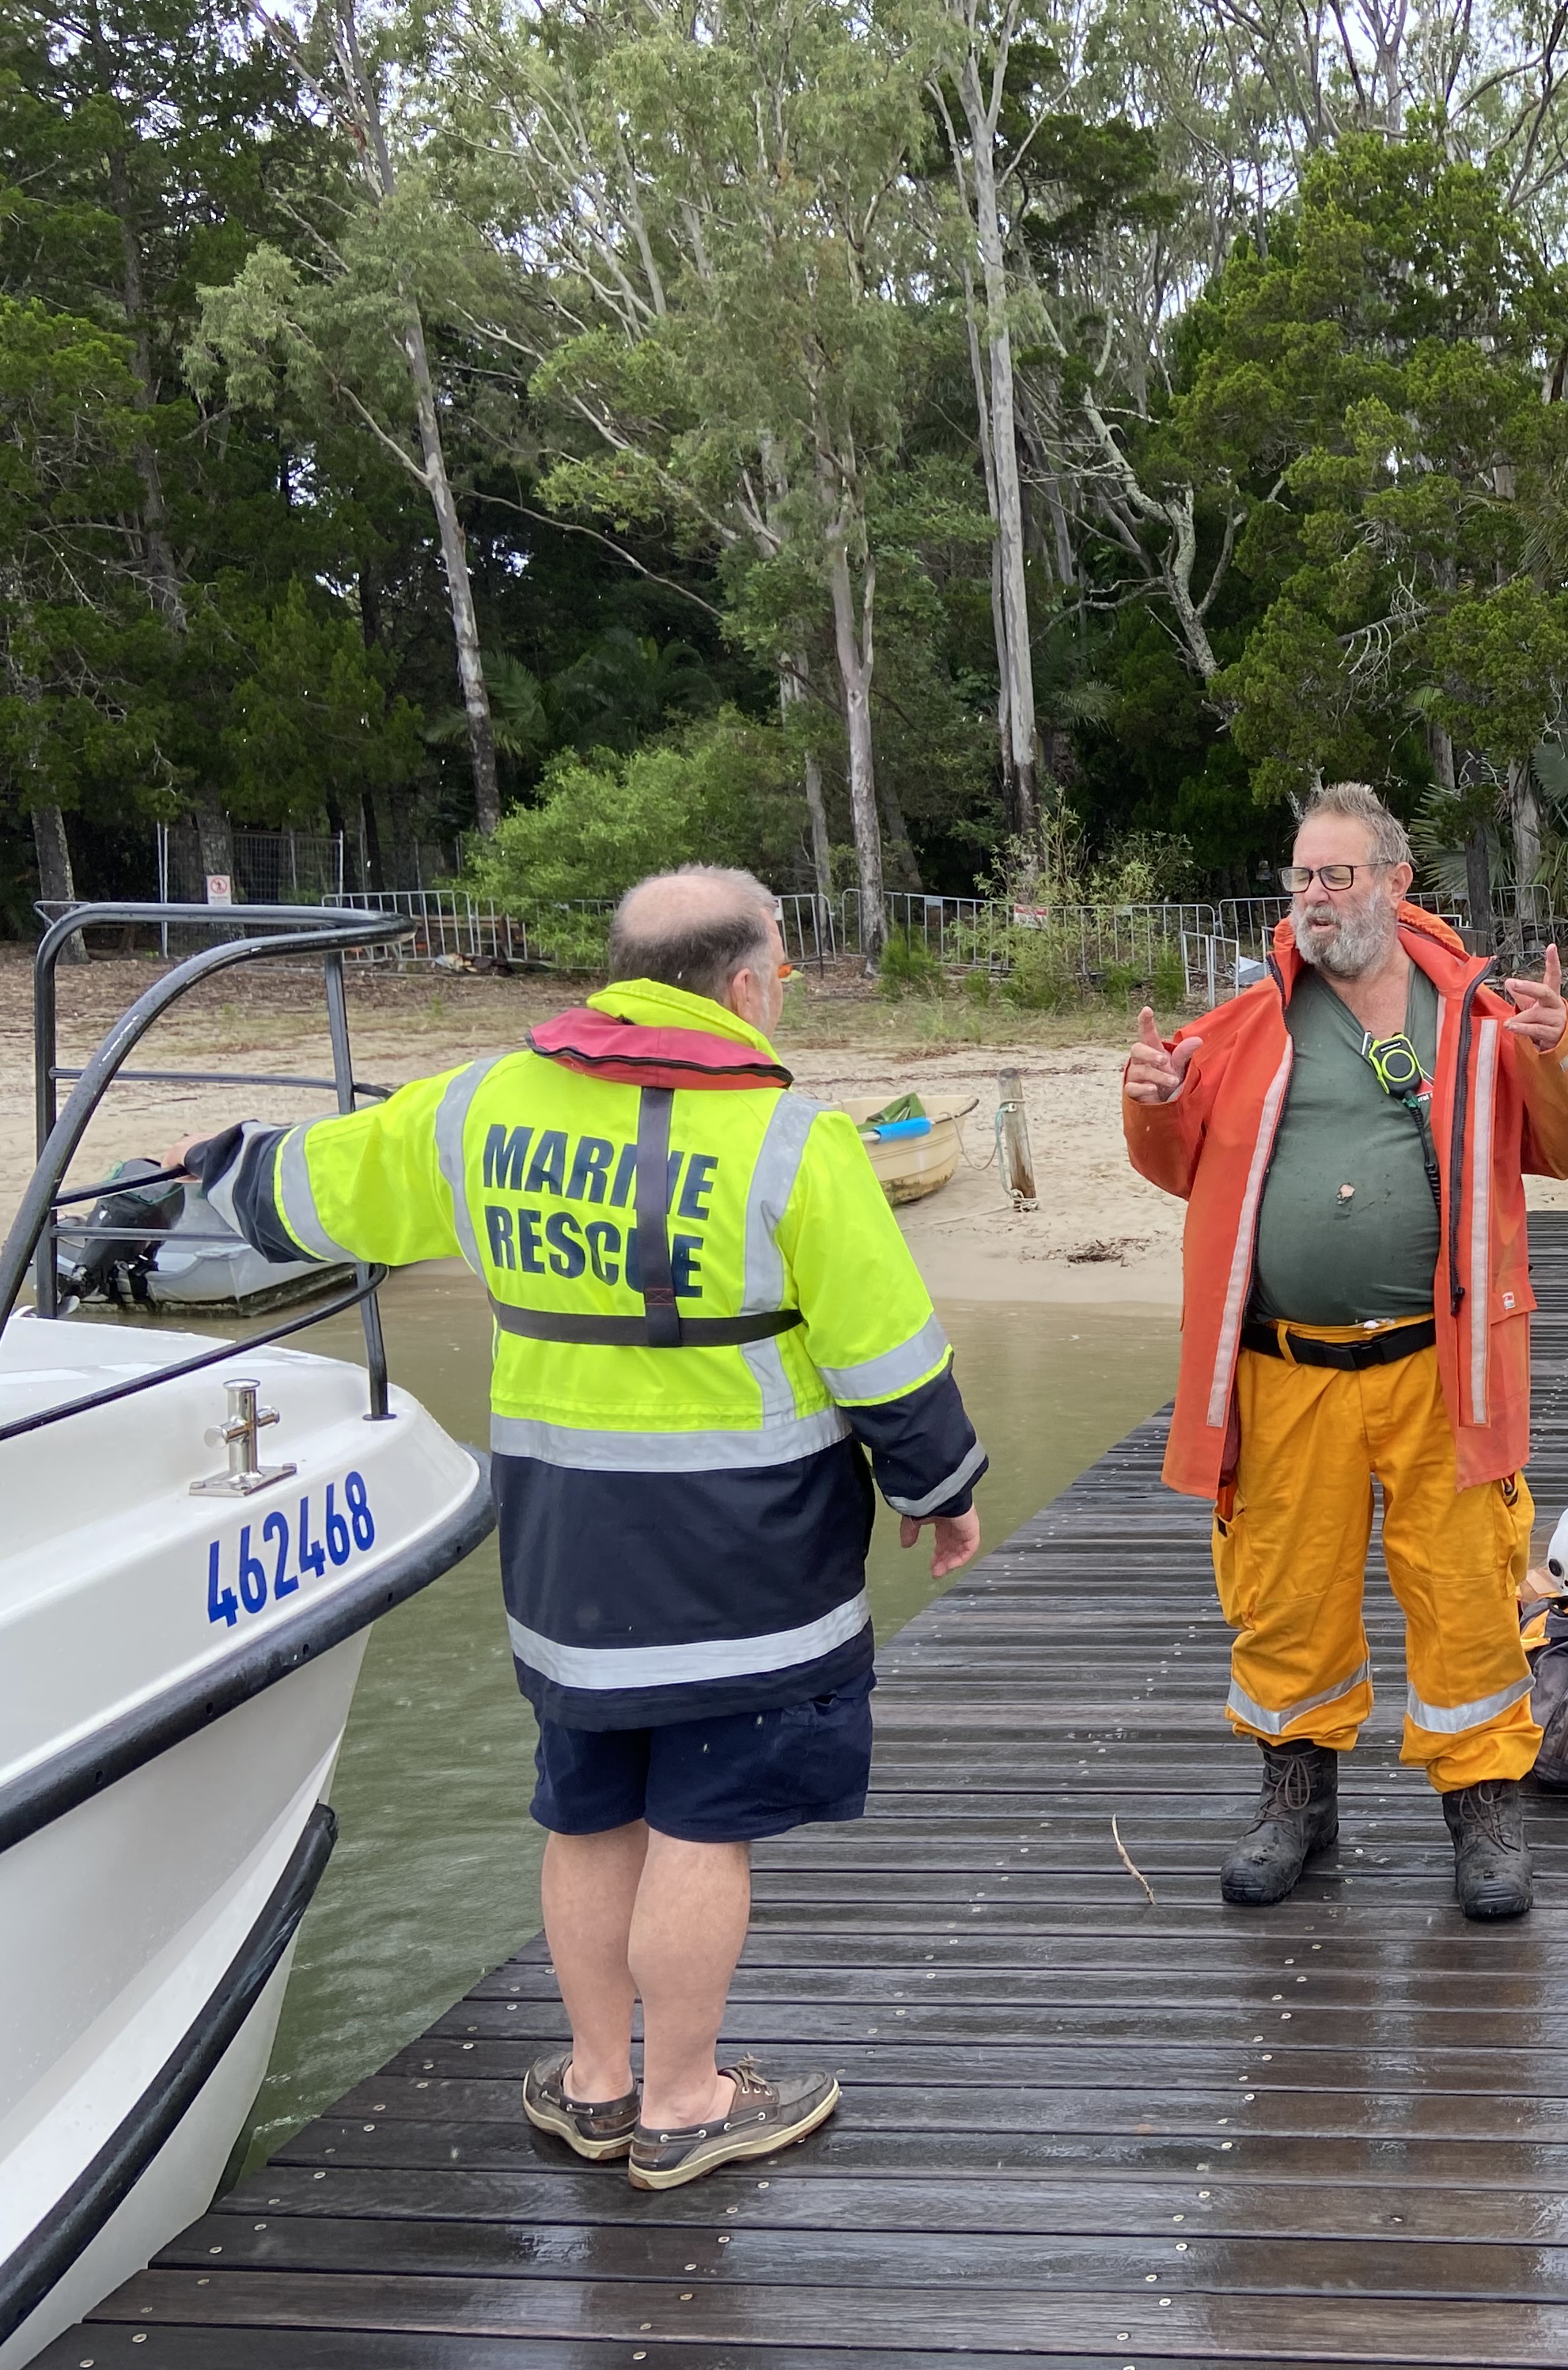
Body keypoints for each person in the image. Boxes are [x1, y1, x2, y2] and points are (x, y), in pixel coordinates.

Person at [180, 867, 985, 2190]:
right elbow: (888, 1358)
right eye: (779, 962)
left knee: (589, 1808)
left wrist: (214, 1172)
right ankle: (683, 2099)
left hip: (564, 1553)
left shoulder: (490, 1103)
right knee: (701, 1823)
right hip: (747, 1554)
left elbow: (324, 1187)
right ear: (743, 981)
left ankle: (597, 2078)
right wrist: (939, 1490)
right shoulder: (791, 1140)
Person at [1123, 783, 1568, 1917]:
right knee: (1284, 1595)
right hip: (1284, 1371)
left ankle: (1484, 1808)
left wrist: (1566, 1046)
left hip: (1443, 1373)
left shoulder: (1485, 1019)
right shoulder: (1244, 1027)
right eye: (1300, 876)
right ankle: (1297, 1798)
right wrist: (1149, 1100)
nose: (1312, 898)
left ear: (1396, 882)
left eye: (1336, 875)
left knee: (1468, 1593)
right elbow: (1171, 1161)